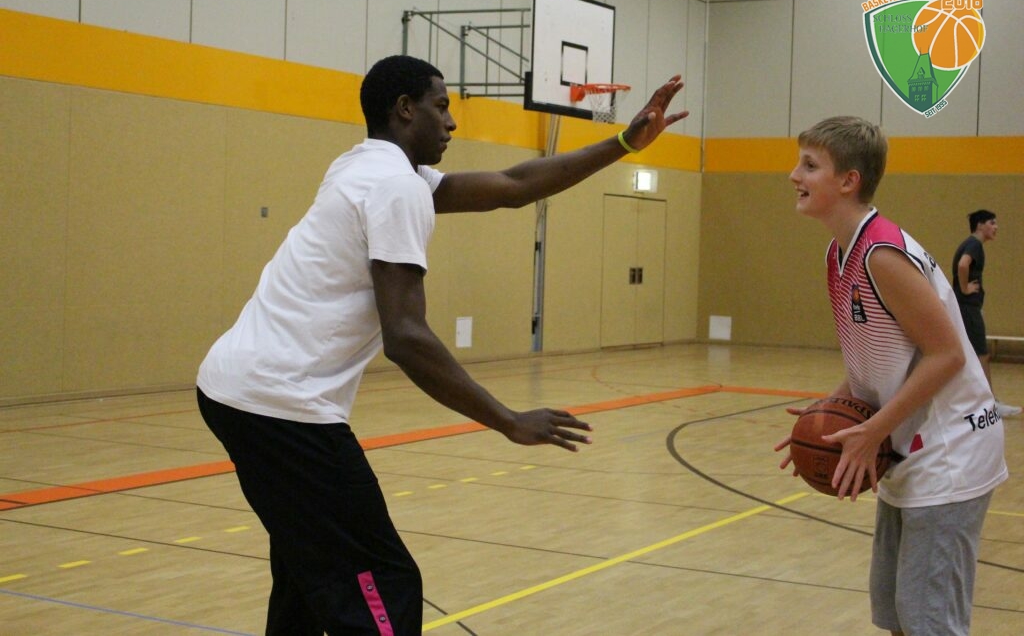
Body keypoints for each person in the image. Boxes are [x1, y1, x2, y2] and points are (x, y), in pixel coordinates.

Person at [196, 54, 688, 635]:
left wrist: (623, 144)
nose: (452, 122)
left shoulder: (363, 166)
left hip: (236, 391)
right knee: (385, 585)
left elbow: (513, 187)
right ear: (405, 109)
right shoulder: (393, 187)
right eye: (441, 106)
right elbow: (405, 337)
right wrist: (507, 419)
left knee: (309, 573)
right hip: (281, 408)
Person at [774, 116, 1007, 636]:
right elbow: (871, 363)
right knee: (896, 612)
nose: (794, 175)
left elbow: (947, 355)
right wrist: (825, 419)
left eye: (809, 165)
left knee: (929, 623)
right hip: (910, 450)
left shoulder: (881, 254)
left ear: (848, 180)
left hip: (951, 452)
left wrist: (872, 430)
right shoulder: (840, 252)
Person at [952, 209, 1021, 417]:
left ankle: (978, 400)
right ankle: (990, 403)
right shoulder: (974, 244)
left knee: (972, 354)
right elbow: (963, 265)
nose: (996, 227)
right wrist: (965, 289)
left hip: (968, 308)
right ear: (980, 225)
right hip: (968, 308)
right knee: (981, 354)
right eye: (992, 223)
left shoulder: (971, 244)